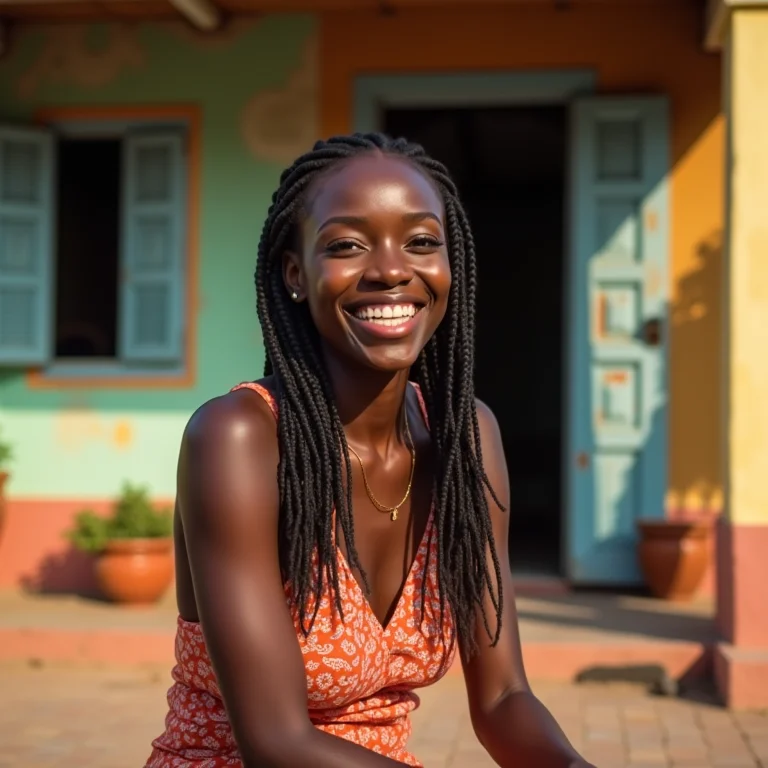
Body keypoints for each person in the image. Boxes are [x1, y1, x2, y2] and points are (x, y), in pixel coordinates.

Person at [145, 133, 595, 768]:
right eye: (348, 245)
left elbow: (502, 697)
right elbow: (276, 743)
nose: (390, 269)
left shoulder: (467, 437)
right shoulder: (239, 439)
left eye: (420, 242)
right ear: (296, 275)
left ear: (450, 265)